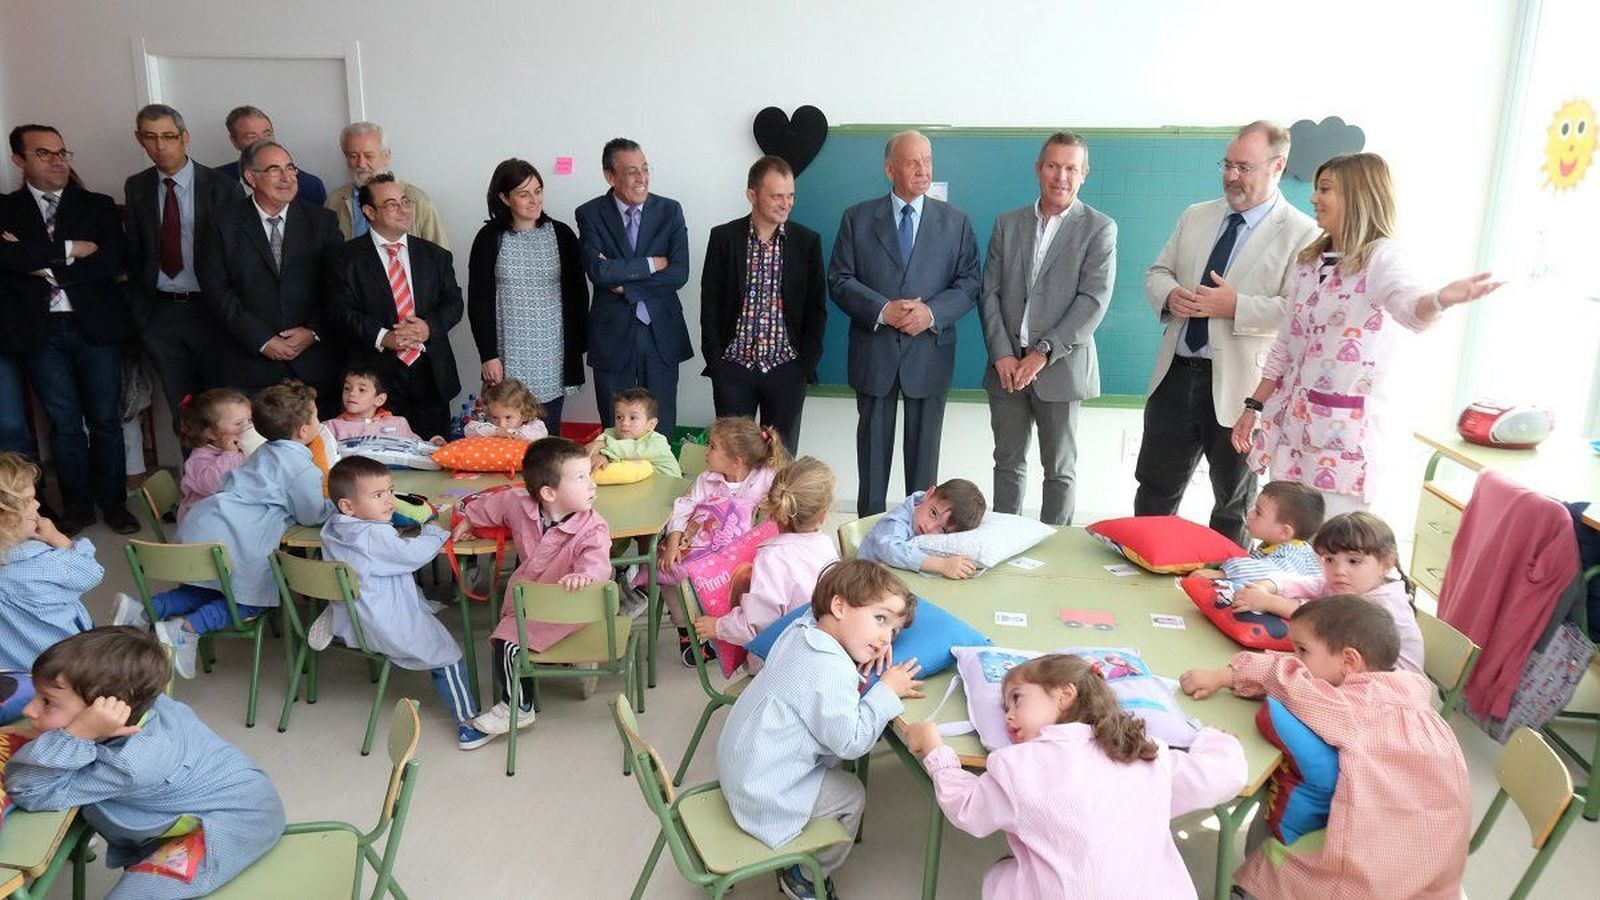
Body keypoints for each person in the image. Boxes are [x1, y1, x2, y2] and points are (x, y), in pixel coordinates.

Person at [1233, 152, 1502, 515]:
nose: (1314, 198)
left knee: (1336, 547)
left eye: (1325, 189)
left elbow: (1411, 310)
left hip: (1343, 440)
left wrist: (1440, 299)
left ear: (1358, 195)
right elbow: (1285, 343)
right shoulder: (1309, 261)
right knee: (1288, 544)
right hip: (1292, 429)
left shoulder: (1383, 259)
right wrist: (1254, 405)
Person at [1179, 596, 1472, 898]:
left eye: (1303, 651)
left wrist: (1223, 675)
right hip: (1436, 869)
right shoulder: (1414, 699)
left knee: (1289, 876)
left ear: (1349, 662)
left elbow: (1284, 677)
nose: (1295, 658)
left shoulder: (1354, 705)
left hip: (1373, 874)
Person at [905, 654, 1247, 899]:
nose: (1008, 716)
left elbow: (967, 809)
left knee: (1001, 876)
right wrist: (1213, 738)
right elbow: (1223, 776)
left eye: (1016, 699)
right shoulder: (1147, 755)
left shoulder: (1018, 765)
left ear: (1065, 693)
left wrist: (936, 751)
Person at [1136, 121, 1320, 546]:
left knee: (1235, 506)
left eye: (1244, 167)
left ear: (1278, 165)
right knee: (1154, 490)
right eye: (1227, 165)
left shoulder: (1302, 234)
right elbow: (1157, 272)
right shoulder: (1196, 216)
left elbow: (1296, 314)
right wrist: (1170, 296)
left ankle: (1227, 592)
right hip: (1175, 376)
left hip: (1242, 391)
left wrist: (1236, 306)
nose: (1231, 176)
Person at [7, 627, 286, 898]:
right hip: (245, 796)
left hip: (235, 825)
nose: (28, 709)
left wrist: (77, 734)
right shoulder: (140, 700)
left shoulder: (129, 763)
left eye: (47, 702)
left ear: (105, 710)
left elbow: (27, 790)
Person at [717, 559, 924, 899]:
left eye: (894, 631)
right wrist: (887, 690)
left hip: (739, 769)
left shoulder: (801, 631)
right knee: (852, 794)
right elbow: (851, 742)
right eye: (880, 619)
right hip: (762, 793)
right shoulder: (829, 669)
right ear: (839, 605)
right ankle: (802, 877)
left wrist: (863, 643)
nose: (886, 639)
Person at [120, 383, 333, 678]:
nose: (319, 423)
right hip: (238, 535)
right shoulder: (302, 468)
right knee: (248, 602)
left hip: (205, 519)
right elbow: (311, 515)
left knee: (207, 588)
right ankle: (185, 629)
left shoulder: (260, 451)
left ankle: (144, 610)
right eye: (316, 418)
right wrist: (334, 506)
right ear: (303, 431)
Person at [827, 130, 980, 516]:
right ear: (890, 168)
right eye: (913, 162)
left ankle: (918, 538)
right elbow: (840, 280)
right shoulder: (857, 218)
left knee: (924, 467)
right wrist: (882, 309)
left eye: (927, 161)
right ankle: (870, 537)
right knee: (872, 464)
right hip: (875, 354)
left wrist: (931, 314)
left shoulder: (956, 222)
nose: (922, 169)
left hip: (929, 354)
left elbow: (970, 283)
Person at [1, 124, 139, 535]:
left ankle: (114, 503)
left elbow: (112, 262)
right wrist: (69, 251)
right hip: (39, 332)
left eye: (62, 152)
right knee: (63, 424)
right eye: (44, 153)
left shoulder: (96, 205)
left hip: (94, 326)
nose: (58, 160)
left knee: (105, 420)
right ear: (19, 160)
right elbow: (4, 260)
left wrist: (37, 265)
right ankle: (77, 506)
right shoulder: (5, 209)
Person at [980, 132, 1116, 526]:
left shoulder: (1099, 228)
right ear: (1039, 169)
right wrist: (1002, 353)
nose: (1061, 176)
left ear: (1084, 174)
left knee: (1058, 470)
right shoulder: (1008, 223)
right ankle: (1004, 538)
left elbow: (1092, 302)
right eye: (1053, 166)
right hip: (1006, 367)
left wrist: (1042, 353)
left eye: (1071, 168)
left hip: (1060, 367)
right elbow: (989, 291)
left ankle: (1055, 552)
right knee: (1007, 464)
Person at [317, 456, 492, 750]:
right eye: (378, 495)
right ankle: (468, 723)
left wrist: (383, 516)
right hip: (384, 623)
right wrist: (435, 530)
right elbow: (413, 556)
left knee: (398, 591)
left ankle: (332, 618)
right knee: (449, 656)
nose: (390, 501)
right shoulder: (375, 535)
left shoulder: (334, 527)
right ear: (348, 506)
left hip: (353, 615)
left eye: (390, 491)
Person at [450, 437, 611, 733]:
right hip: (529, 605)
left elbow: (598, 560)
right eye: (580, 477)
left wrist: (585, 575)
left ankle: (517, 707)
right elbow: (490, 505)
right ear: (548, 493)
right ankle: (522, 699)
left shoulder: (593, 526)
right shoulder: (519, 503)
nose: (592, 484)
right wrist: (468, 519)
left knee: (508, 642)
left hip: (570, 606)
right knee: (507, 640)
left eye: (589, 475)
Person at [199, 139, 344, 413]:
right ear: (251, 177)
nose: (287, 178)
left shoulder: (322, 221)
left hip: (313, 365)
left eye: (291, 168)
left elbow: (337, 287)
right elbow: (216, 289)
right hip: (249, 363)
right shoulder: (222, 222)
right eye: (275, 170)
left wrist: (313, 331)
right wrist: (262, 339)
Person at [700, 155, 826, 455]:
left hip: (785, 369)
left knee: (779, 464)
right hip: (734, 368)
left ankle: (771, 506)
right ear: (752, 195)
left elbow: (816, 309)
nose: (786, 203)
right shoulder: (724, 238)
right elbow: (710, 306)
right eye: (777, 196)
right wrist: (718, 363)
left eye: (791, 195)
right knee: (732, 458)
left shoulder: (806, 242)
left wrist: (803, 366)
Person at [123, 103, 240, 426]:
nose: (160, 146)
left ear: (184, 137)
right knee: (183, 410)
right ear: (139, 139)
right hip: (160, 312)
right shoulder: (137, 186)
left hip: (211, 308)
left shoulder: (221, 186)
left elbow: (237, 256)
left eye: (169, 136)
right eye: (151, 137)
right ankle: (194, 475)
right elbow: (135, 252)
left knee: (222, 405)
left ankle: (225, 475)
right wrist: (141, 313)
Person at [323, 172, 463, 439]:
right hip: (374, 374)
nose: (403, 210)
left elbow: (453, 303)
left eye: (405, 202)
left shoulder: (435, 255)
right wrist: (383, 336)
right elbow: (339, 310)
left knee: (434, 453)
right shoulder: (343, 258)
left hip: (429, 372)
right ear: (369, 211)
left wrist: (428, 327)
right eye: (391, 204)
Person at [575, 138, 692, 437]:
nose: (642, 179)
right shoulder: (590, 214)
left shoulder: (670, 211)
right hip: (612, 336)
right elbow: (599, 271)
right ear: (610, 176)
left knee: (661, 428)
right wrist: (652, 263)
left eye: (644, 169)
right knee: (617, 431)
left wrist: (628, 288)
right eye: (631, 172)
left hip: (660, 335)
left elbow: (679, 272)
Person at [467, 158, 588, 434]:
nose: (534, 200)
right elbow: (479, 301)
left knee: (546, 433)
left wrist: (578, 345)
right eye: (524, 194)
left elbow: (578, 296)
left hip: (552, 353)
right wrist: (488, 354)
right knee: (507, 433)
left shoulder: (561, 234)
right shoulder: (489, 238)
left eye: (538, 191)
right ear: (504, 197)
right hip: (508, 354)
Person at [1225, 511, 1423, 675]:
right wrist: (1265, 586)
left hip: (1386, 693)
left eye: (1354, 561)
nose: (1339, 570)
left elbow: (1320, 622)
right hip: (1353, 673)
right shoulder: (1349, 583)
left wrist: (1267, 601)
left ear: (1386, 564)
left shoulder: (1383, 604)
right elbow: (1302, 582)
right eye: (1329, 560)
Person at [657, 418, 788, 665]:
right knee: (667, 568)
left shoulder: (768, 480)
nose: (706, 452)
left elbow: (779, 517)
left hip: (747, 557)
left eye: (712, 447)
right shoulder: (707, 479)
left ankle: (725, 639)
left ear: (736, 460)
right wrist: (673, 541)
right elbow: (684, 507)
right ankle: (685, 628)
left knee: (748, 581)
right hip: (705, 550)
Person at [693, 457, 839, 667]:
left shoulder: (771, 557)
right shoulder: (825, 545)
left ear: (773, 507)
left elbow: (756, 627)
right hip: (820, 655)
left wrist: (718, 626)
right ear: (823, 515)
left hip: (779, 665)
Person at [0, 452, 101, 671]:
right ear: (4, 516)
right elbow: (91, 573)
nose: (37, 505)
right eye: (28, 501)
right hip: (71, 667)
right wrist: (57, 538)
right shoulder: (41, 563)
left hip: (21, 680)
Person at [325, 121, 448, 248]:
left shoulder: (417, 201)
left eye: (369, 156)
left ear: (386, 156)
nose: (361, 164)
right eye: (353, 156)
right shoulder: (335, 202)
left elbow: (440, 256)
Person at [1193, 480, 1325, 583]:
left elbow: (1272, 575)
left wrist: (1223, 573)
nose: (1249, 514)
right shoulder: (1273, 545)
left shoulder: (1295, 555)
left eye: (1258, 512)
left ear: (1284, 532)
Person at [857, 477, 986, 580]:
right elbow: (890, 549)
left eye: (943, 530)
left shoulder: (927, 509)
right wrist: (941, 564)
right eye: (933, 513)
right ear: (929, 494)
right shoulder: (896, 523)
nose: (929, 527)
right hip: (862, 583)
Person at [214, 105, 327, 204]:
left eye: (267, 134)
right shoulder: (215, 181)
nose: (263, 141)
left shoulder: (310, 186)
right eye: (252, 137)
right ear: (234, 141)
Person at [174, 387, 251, 521]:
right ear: (211, 433)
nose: (248, 427)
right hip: (203, 523)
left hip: (230, 514)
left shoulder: (241, 448)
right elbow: (213, 486)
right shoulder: (198, 460)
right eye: (239, 423)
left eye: (250, 420)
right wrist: (229, 454)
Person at [587, 387, 681, 477]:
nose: (624, 423)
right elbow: (595, 446)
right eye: (619, 417)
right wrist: (601, 455)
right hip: (637, 487)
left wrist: (604, 445)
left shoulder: (658, 442)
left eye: (633, 418)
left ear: (651, 424)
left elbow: (634, 450)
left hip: (668, 487)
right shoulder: (611, 433)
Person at [324, 366, 426, 442]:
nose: (352, 393)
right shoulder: (331, 427)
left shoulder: (398, 423)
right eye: (347, 388)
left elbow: (419, 447)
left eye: (361, 389)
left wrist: (434, 443)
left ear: (379, 400)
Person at [465, 377, 548, 441]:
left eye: (508, 417)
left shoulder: (535, 426)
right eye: (495, 417)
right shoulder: (490, 425)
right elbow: (468, 429)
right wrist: (496, 432)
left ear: (524, 414)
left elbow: (541, 435)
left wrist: (510, 434)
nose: (501, 424)